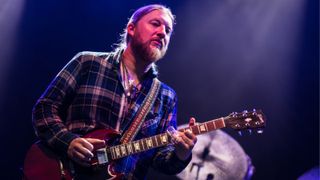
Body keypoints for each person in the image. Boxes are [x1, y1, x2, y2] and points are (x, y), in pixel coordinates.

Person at [32, 4, 197, 179]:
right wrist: (68, 142)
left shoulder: (166, 97)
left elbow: (162, 161)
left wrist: (181, 153)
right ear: (131, 28)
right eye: (156, 23)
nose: (163, 32)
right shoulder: (88, 62)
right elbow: (44, 109)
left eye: (168, 30)